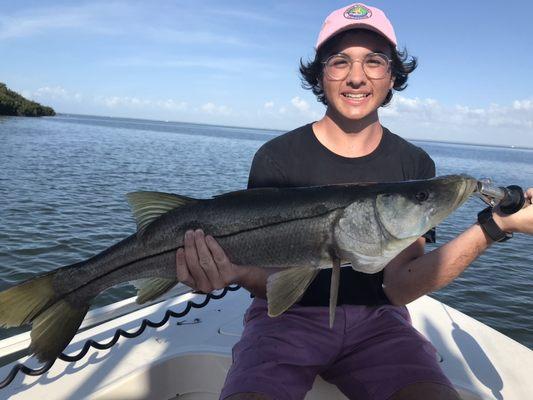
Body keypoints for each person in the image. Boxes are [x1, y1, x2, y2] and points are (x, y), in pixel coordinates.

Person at [175, 3, 533, 400]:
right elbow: (270, 282)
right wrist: (235, 272)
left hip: (379, 322)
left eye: (374, 62)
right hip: (285, 321)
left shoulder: (413, 164)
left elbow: (398, 286)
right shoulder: (277, 158)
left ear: (393, 76)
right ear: (320, 74)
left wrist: (494, 226)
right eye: (340, 61)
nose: (357, 77)